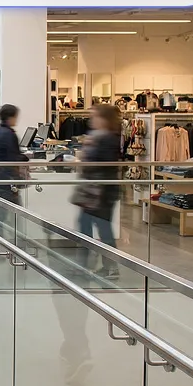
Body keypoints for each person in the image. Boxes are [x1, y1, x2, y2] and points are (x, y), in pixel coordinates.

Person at [72, 103, 123, 280]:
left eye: (95, 116)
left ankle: (107, 267)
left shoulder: (107, 138)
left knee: (102, 228)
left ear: (103, 119)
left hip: (101, 192)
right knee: (88, 225)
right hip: (94, 191)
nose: (91, 119)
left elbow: (99, 163)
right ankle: (88, 266)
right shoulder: (100, 136)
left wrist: (84, 158)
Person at [0, 104, 28, 259]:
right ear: (11, 117)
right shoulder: (9, 134)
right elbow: (12, 159)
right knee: (4, 217)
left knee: (1, 216)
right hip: (6, 182)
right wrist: (24, 159)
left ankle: (2, 248)